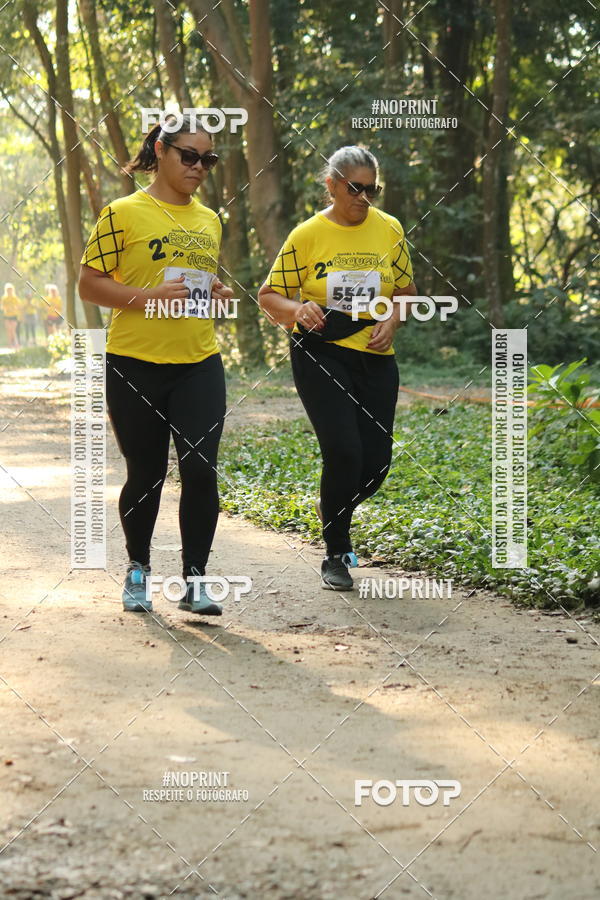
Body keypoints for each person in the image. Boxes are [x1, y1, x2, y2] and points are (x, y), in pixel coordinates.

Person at [79, 113, 232, 616]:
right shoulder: (122, 213)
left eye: (208, 159)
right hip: (134, 364)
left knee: (201, 469)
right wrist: (148, 297)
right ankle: (138, 569)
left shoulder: (209, 220)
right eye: (189, 156)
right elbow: (89, 285)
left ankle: (195, 580)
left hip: (199, 362)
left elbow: (196, 284)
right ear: (161, 152)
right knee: (145, 473)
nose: (199, 167)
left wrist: (214, 292)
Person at [259, 145, 418, 591]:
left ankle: (332, 506)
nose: (364, 197)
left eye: (372, 189)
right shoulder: (307, 235)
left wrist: (393, 320)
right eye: (354, 188)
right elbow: (268, 297)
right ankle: (335, 552)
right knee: (344, 451)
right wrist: (298, 309)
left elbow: (406, 292)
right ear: (331, 185)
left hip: (375, 355)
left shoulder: (389, 228)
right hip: (320, 351)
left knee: (377, 462)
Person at [1, 283, 21, 349]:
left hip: (14, 316)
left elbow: (18, 306)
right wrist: (6, 308)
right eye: (8, 289)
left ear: (12, 290)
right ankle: (9, 344)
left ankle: (16, 344)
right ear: (6, 290)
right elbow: (2, 307)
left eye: (10, 289)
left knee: (13, 330)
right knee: (8, 330)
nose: (9, 291)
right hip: (7, 316)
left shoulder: (15, 298)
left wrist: (13, 308)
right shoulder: (4, 298)